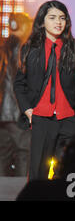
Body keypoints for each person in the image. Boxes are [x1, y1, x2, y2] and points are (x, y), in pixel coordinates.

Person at [13, 0, 75, 181]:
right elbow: (19, 84)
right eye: (52, 17)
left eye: (62, 18)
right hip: (41, 119)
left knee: (70, 173)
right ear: (42, 21)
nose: (58, 22)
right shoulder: (30, 49)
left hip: (69, 119)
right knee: (38, 173)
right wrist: (28, 110)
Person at [0, 13, 33, 176]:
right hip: (16, 111)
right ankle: (20, 192)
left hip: (3, 114)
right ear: (25, 26)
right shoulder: (22, 48)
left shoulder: (3, 46)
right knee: (23, 152)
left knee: (2, 154)